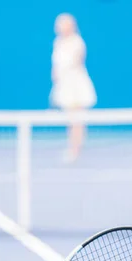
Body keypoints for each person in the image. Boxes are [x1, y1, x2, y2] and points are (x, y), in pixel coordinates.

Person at [50, 13, 97, 164]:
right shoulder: (58, 42)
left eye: (63, 24)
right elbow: (56, 66)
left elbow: (75, 64)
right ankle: (73, 148)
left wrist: (64, 77)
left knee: (77, 120)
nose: (59, 27)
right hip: (64, 86)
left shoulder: (77, 42)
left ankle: (75, 150)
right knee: (70, 120)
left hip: (75, 86)